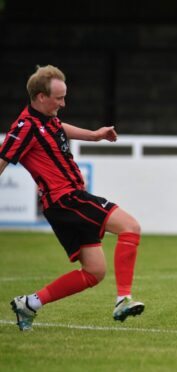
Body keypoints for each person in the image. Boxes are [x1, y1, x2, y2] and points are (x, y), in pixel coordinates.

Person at [0, 65, 145, 331]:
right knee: (130, 227)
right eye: (59, 98)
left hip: (63, 203)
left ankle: (29, 304)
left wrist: (94, 135)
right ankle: (123, 299)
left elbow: (59, 127)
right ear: (41, 97)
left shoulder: (46, 118)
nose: (63, 103)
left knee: (94, 272)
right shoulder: (24, 127)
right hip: (65, 199)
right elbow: (3, 158)